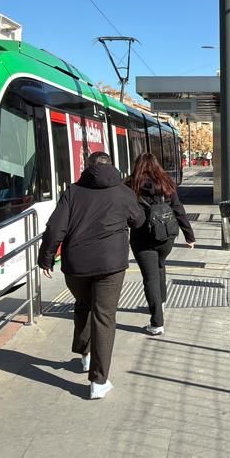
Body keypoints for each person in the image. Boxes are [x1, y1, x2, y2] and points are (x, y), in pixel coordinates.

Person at [37, 151, 145, 400]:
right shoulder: (123, 192)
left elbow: (55, 228)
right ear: (112, 166)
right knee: (104, 317)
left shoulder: (73, 192)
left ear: (87, 167)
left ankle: (85, 355)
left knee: (83, 304)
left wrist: (46, 257)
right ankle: (98, 381)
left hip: (77, 265)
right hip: (111, 265)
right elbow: (138, 221)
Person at [126, 152, 195, 336]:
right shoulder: (166, 184)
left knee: (150, 278)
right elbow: (178, 209)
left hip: (142, 238)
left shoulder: (129, 185)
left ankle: (157, 322)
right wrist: (189, 236)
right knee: (159, 265)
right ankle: (161, 301)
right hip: (166, 236)